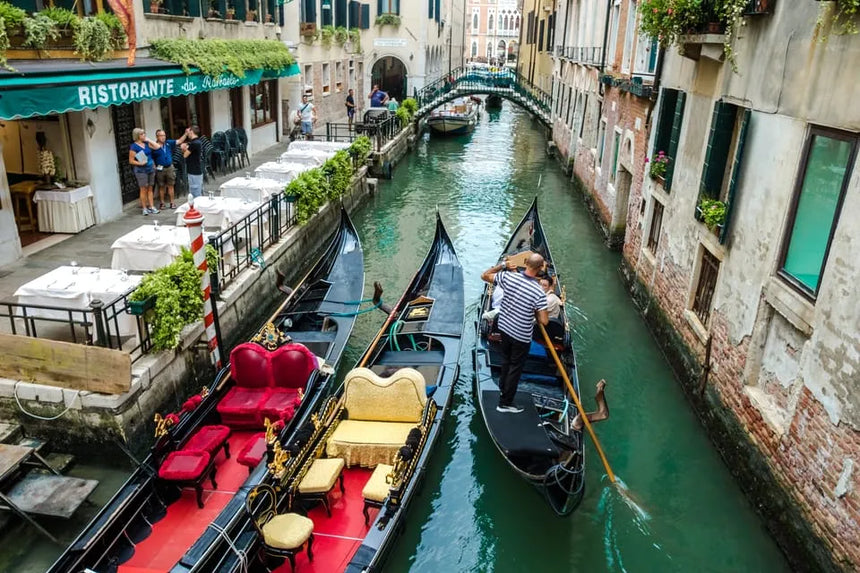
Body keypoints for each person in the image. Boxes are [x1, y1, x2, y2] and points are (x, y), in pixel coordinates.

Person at [481, 253, 549, 413]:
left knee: (506, 361)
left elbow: (484, 275)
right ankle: (505, 403)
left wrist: (503, 265)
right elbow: (544, 321)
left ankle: (503, 390)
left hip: (504, 328)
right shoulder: (538, 292)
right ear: (540, 269)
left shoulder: (508, 277)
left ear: (525, 263)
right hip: (521, 335)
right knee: (515, 368)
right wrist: (535, 310)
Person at [128, 127, 161, 215]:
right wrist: (140, 163)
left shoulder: (146, 143)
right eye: (142, 134)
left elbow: (158, 147)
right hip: (141, 170)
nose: (144, 135)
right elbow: (131, 160)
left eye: (144, 133)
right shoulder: (134, 146)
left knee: (150, 188)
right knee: (143, 189)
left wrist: (148, 140)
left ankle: (151, 206)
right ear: (137, 136)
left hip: (150, 168)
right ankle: (144, 208)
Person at [153, 129, 187, 210]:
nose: (163, 137)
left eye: (164, 135)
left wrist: (185, 134)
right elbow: (151, 157)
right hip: (160, 168)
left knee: (171, 185)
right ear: (157, 137)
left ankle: (172, 202)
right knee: (161, 186)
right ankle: (162, 203)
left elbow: (179, 141)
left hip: (169, 167)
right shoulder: (154, 146)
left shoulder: (168, 143)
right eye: (161, 136)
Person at [180, 125, 203, 200]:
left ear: (192, 132)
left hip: (193, 170)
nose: (187, 134)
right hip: (197, 169)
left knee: (195, 192)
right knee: (198, 189)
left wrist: (183, 149)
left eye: (188, 132)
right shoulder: (197, 141)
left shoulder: (194, 143)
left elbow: (185, 155)